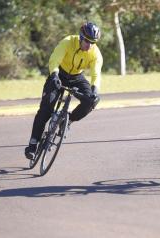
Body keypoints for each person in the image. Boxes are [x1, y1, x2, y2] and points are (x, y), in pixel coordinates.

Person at [25, 22, 103, 160]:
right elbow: (54, 60)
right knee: (46, 109)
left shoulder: (95, 53)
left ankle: (67, 121)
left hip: (77, 77)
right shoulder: (68, 42)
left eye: (93, 42)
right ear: (80, 37)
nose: (89, 45)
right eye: (87, 41)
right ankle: (33, 143)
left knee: (92, 101)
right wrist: (54, 74)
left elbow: (96, 74)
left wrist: (94, 90)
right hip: (59, 73)